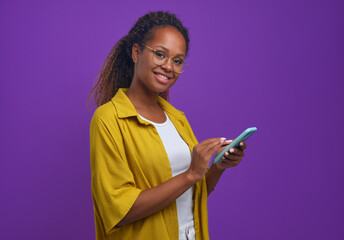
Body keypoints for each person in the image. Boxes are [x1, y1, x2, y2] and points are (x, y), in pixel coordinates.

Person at [88, 11, 247, 240]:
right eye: (160, 55)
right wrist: (191, 173)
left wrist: (217, 167)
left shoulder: (176, 119)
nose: (169, 67)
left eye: (178, 60)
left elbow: (193, 193)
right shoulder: (108, 119)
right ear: (136, 52)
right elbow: (120, 210)